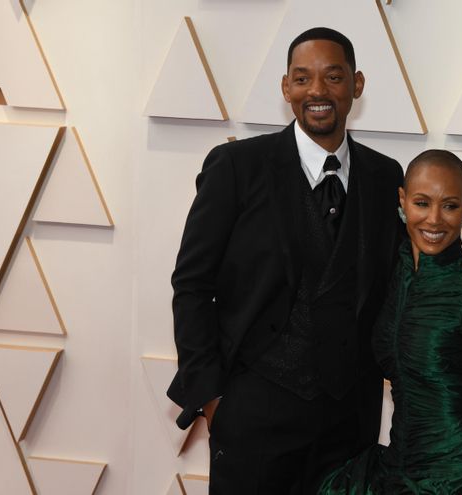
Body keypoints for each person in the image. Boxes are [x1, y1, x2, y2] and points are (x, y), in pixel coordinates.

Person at [168, 27, 404, 494]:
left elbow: (395, 292)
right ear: (286, 88)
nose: (317, 91)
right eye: (303, 79)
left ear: (357, 85)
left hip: (349, 426)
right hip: (253, 416)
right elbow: (192, 284)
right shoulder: (237, 167)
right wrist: (214, 399)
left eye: (333, 77)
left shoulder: (385, 177)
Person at [318, 150, 462, 494]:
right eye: (422, 203)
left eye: (450, 205)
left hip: (461, 477)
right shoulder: (389, 277)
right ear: (402, 199)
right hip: (393, 473)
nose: (435, 220)